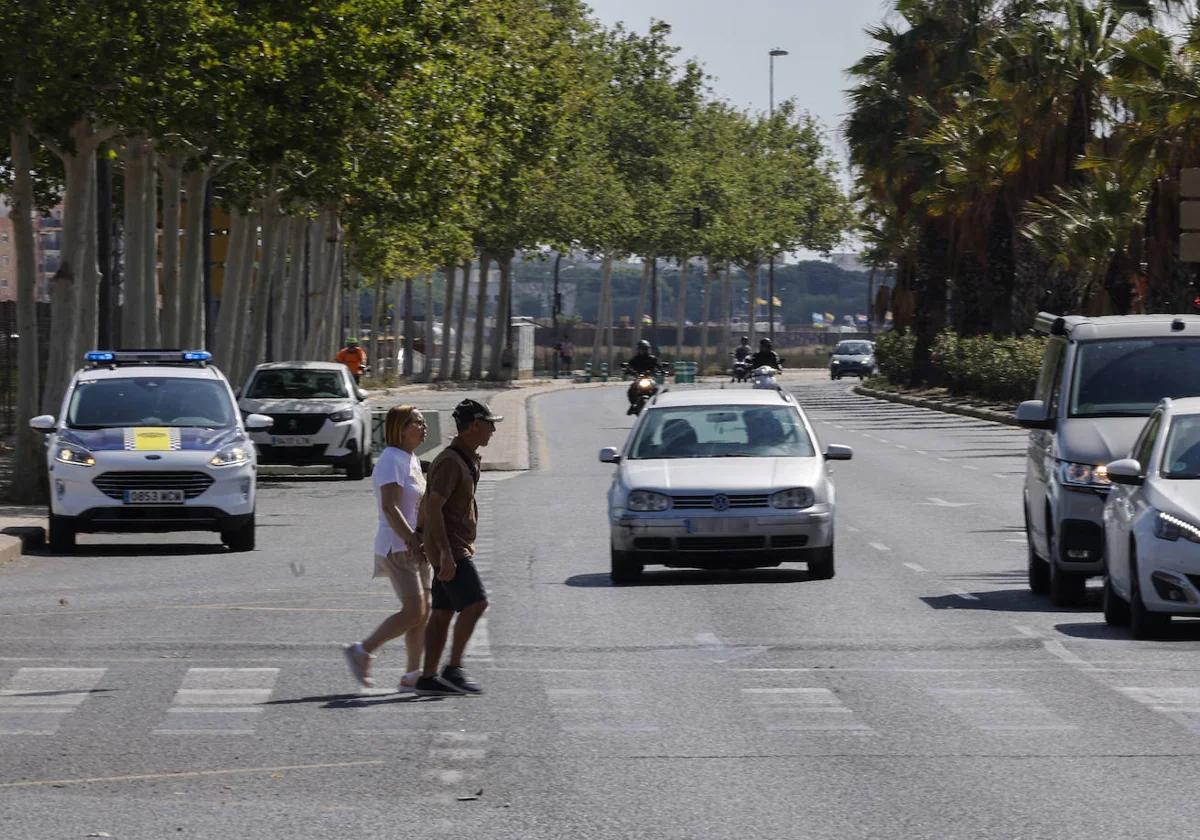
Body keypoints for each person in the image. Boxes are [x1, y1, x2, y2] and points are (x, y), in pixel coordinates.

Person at [415, 399, 501, 696]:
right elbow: (434, 506)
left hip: (450, 546)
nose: (493, 430)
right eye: (490, 424)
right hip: (450, 548)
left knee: (442, 611)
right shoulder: (451, 461)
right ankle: (453, 669)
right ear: (475, 426)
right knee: (476, 603)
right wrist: (446, 554)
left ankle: (427, 677)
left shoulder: (466, 456)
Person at [343, 405, 431, 691]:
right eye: (417, 422)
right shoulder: (391, 459)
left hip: (418, 545)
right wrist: (412, 540)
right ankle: (363, 651)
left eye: (423, 421)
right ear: (401, 428)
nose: (424, 426)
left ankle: (412, 674)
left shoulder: (411, 458)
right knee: (413, 611)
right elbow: (390, 508)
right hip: (399, 545)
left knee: (423, 610)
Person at [624, 339, 660, 415]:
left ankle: (658, 404)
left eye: (645, 349)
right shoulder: (635, 359)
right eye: (642, 349)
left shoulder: (652, 359)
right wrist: (629, 370)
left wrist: (661, 370)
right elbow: (629, 366)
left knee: (657, 388)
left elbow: (658, 367)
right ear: (639, 349)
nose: (643, 351)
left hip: (650, 378)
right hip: (639, 378)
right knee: (631, 389)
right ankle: (633, 405)